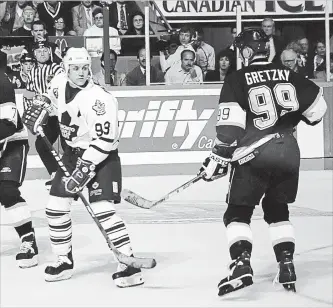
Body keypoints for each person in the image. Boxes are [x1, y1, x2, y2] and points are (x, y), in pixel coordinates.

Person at [199, 28, 327, 297]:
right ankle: (287, 264)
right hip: (288, 152)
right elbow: (317, 111)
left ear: (245, 51)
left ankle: (241, 264)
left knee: (237, 213)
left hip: (253, 154)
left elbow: (230, 127)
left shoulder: (237, 79)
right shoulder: (289, 74)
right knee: (277, 209)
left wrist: (218, 156)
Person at [22, 47, 145, 287]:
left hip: (101, 157)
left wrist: (85, 168)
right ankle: (63, 260)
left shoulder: (100, 99)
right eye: (75, 68)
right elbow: (51, 101)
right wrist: (42, 109)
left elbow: (106, 141)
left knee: (102, 210)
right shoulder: (58, 82)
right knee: (55, 207)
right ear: (66, 69)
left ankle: (129, 264)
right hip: (72, 153)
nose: (81, 73)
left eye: (84, 68)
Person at [0, 50, 39, 269]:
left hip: (12, 144)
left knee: (6, 191)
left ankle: (28, 241)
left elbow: (9, 124)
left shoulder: (3, 85)